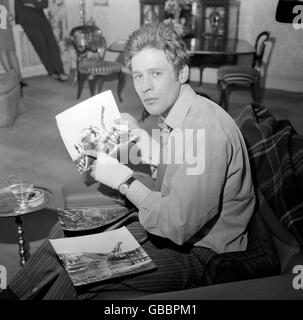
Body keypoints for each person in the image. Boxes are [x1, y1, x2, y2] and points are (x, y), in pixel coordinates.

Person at [1, 22, 256, 300]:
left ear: (182, 72)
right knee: (63, 231)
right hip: (173, 226)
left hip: (201, 251)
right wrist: (148, 144)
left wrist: (123, 180)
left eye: (156, 74)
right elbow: (180, 175)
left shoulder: (203, 130)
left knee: (81, 266)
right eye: (137, 76)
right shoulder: (180, 113)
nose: (144, 88)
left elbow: (177, 225)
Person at [14, 0, 68, 82]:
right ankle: (52, 71)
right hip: (26, 17)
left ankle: (60, 71)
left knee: (52, 42)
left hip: (39, 14)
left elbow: (45, 4)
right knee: (41, 45)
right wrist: (37, 3)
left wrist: (33, 3)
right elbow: (23, 1)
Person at [0, 0, 21, 77]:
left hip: (5, 24)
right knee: (4, 51)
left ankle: (17, 79)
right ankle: (14, 78)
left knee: (9, 51)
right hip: (4, 24)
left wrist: (10, 15)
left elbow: (11, 14)